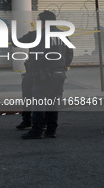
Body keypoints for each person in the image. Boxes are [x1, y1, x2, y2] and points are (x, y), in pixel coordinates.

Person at [19, 10, 73, 139]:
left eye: (38, 20)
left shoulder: (42, 35)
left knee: (39, 101)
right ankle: (51, 129)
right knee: (53, 102)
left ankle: (37, 130)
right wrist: (63, 67)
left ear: (43, 21)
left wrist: (33, 69)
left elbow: (38, 55)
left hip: (45, 74)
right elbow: (69, 54)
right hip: (60, 73)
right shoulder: (63, 35)